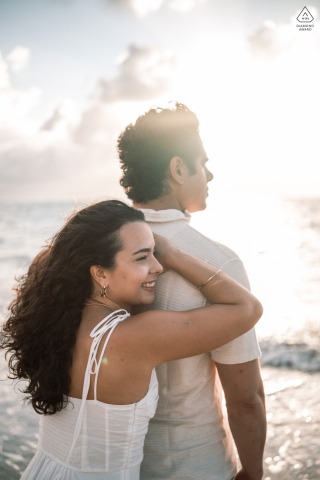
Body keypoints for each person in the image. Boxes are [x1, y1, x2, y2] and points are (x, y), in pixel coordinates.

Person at [1, 200, 262, 480]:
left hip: (43, 470)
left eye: (156, 253)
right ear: (100, 273)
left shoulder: (56, 320)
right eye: (142, 257)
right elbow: (247, 308)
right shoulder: (132, 337)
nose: (158, 266)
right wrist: (174, 253)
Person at [117, 102, 267, 480]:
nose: (210, 174)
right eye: (202, 162)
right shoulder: (220, 263)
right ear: (178, 169)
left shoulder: (98, 254)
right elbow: (246, 400)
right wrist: (253, 472)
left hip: (121, 465)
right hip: (198, 465)